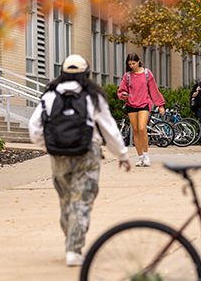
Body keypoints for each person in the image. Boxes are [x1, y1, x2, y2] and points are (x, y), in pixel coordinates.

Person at [28, 54, 131, 266]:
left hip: (58, 156)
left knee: (66, 201)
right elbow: (109, 129)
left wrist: (49, 147)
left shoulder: (49, 95)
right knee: (82, 200)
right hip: (87, 153)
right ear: (87, 74)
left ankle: (71, 242)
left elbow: (34, 128)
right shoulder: (92, 96)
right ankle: (73, 250)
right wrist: (122, 154)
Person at [117, 52, 165, 166]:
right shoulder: (127, 76)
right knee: (135, 130)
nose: (132, 66)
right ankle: (140, 157)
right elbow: (121, 91)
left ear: (139, 61)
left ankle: (146, 155)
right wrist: (123, 94)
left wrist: (160, 105)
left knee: (142, 128)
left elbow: (154, 90)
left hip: (144, 103)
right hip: (131, 104)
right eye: (129, 64)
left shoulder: (147, 73)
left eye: (133, 63)